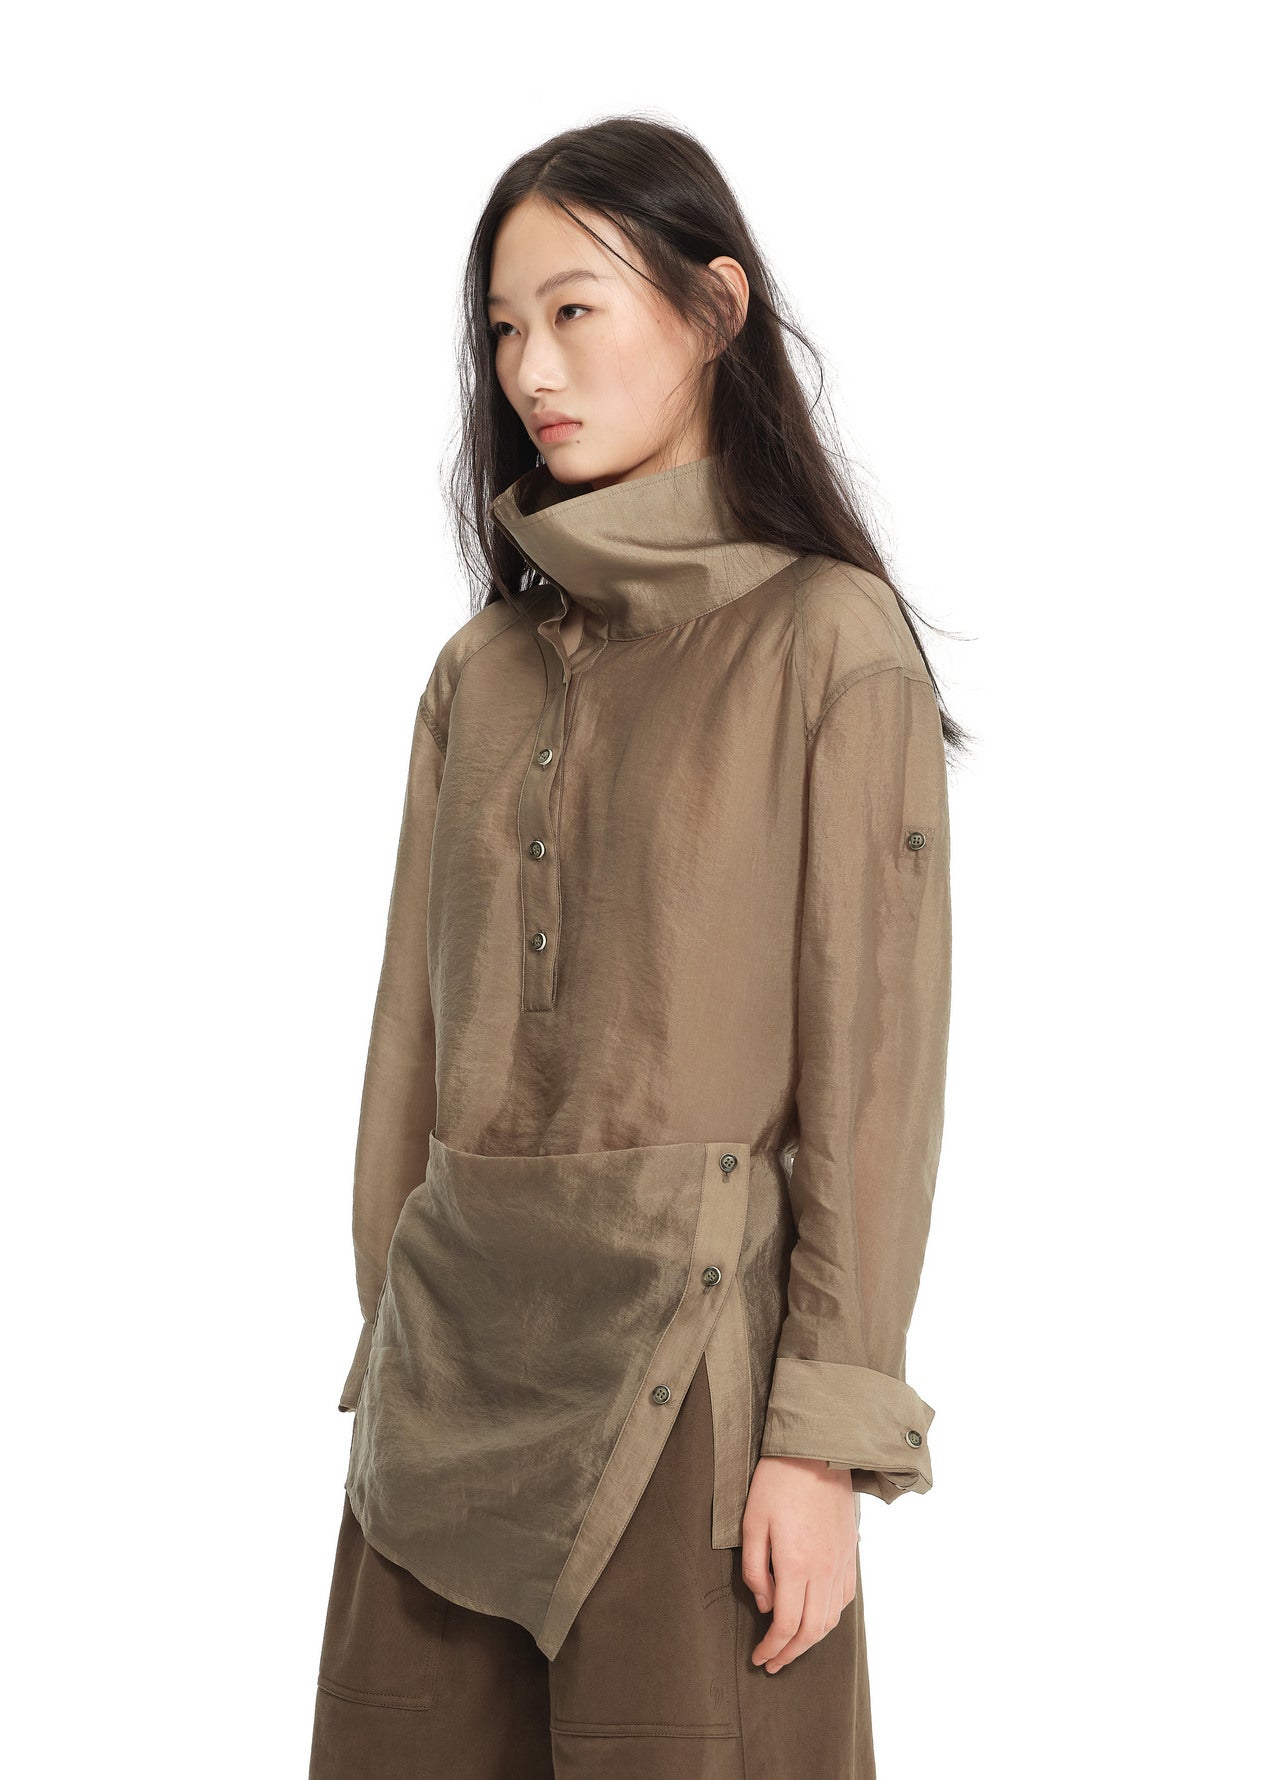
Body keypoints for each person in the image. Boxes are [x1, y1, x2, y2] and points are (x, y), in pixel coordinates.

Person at [308, 115, 965, 1780]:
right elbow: (407, 1047)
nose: (530, 367)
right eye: (502, 327)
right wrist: (391, 1340)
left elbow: (872, 1077)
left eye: (574, 310)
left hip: (697, 1393)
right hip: (446, 1391)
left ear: (715, 308)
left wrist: (824, 1436)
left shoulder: (829, 642)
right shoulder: (481, 672)